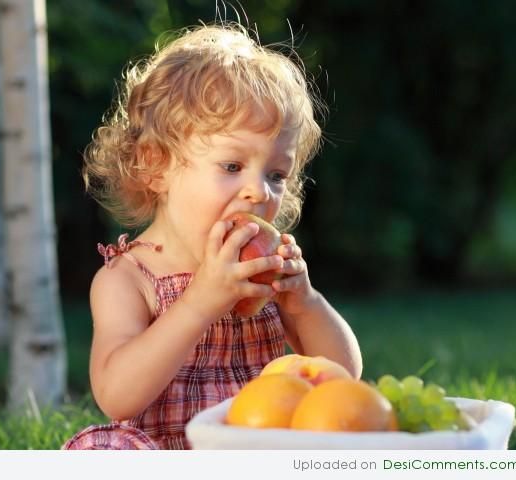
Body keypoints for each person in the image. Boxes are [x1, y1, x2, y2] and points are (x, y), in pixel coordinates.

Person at [63, 22, 362, 450]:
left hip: (261, 449)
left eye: (277, 174)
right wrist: (200, 302)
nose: (260, 190)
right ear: (156, 165)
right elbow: (116, 397)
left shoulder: (265, 272)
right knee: (105, 451)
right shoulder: (128, 278)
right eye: (232, 166)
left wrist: (305, 303)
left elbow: (345, 380)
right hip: (168, 455)